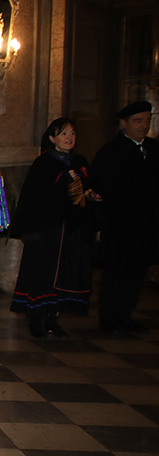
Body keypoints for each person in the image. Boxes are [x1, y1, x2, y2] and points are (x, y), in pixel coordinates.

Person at [10, 118, 98, 337]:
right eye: (64, 134)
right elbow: (34, 198)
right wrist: (63, 188)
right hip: (46, 230)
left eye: (72, 134)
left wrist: (89, 194)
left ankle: (53, 319)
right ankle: (35, 320)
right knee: (42, 274)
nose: (69, 138)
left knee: (64, 275)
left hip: (71, 230)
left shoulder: (80, 161)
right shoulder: (44, 164)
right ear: (52, 138)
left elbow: (83, 190)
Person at [91, 101, 158, 334]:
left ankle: (126, 315)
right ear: (124, 123)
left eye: (147, 120)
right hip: (119, 226)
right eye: (138, 121)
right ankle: (109, 318)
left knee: (137, 273)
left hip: (145, 226)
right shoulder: (111, 152)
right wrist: (100, 224)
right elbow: (97, 191)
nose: (144, 126)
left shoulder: (153, 149)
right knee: (116, 273)